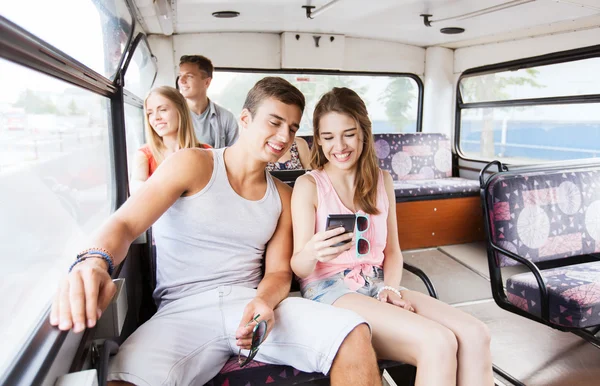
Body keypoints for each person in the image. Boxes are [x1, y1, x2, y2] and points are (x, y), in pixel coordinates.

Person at [49, 78, 381, 386]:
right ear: (246, 119)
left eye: (293, 128)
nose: (284, 137)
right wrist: (94, 262)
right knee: (124, 379)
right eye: (275, 122)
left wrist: (264, 302)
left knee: (351, 333)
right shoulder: (193, 163)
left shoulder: (283, 195)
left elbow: (279, 271)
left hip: (250, 304)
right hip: (182, 310)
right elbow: (125, 224)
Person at [291, 87, 494, 386]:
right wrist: (312, 251)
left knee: (476, 334)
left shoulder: (382, 180)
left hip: (377, 283)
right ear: (319, 139)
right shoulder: (308, 185)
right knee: (438, 342)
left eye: (348, 133)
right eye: (329, 137)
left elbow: (393, 252)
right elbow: (299, 267)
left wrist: (391, 288)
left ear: (363, 133)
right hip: (330, 290)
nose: (340, 146)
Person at [131, 86, 211, 193]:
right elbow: (136, 189)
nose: (156, 117)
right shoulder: (144, 155)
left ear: (181, 111)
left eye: (163, 110)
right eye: (150, 113)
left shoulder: (207, 151)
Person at [177, 55, 238, 148]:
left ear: (207, 82)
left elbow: (235, 156)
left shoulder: (226, 118)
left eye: (189, 76)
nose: (181, 80)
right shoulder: (175, 116)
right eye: (180, 75)